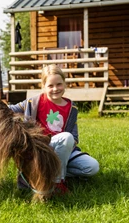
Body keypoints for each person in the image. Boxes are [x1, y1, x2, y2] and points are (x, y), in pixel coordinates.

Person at [8, 64, 99, 195]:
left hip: (63, 149)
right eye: (50, 86)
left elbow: (74, 138)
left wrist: (64, 149)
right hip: (40, 149)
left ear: (64, 84)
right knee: (66, 137)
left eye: (59, 84)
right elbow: (9, 110)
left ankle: (48, 172)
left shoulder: (71, 108)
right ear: (44, 86)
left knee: (92, 167)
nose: (55, 89)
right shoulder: (33, 102)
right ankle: (57, 182)